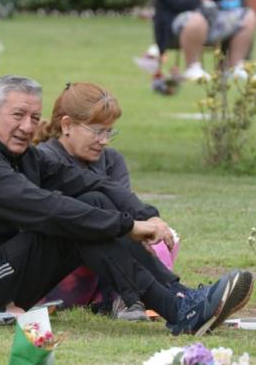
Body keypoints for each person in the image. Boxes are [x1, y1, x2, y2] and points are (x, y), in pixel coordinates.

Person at [0, 75, 253, 336]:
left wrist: (145, 214)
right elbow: (44, 208)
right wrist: (130, 227)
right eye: (18, 115)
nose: (27, 127)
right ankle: (178, 309)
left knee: (90, 203)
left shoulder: (22, 155)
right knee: (67, 221)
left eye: (34, 117)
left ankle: (181, 298)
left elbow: (93, 183)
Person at [34, 82, 178, 321]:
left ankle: (157, 294)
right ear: (67, 125)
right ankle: (143, 295)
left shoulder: (111, 160)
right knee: (95, 206)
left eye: (108, 131)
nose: (104, 141)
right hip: (62, 259)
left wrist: (150, 220)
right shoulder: (45, 160)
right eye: (96, 131)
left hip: (110, 250)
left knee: (159, 237)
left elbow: (125, 213)